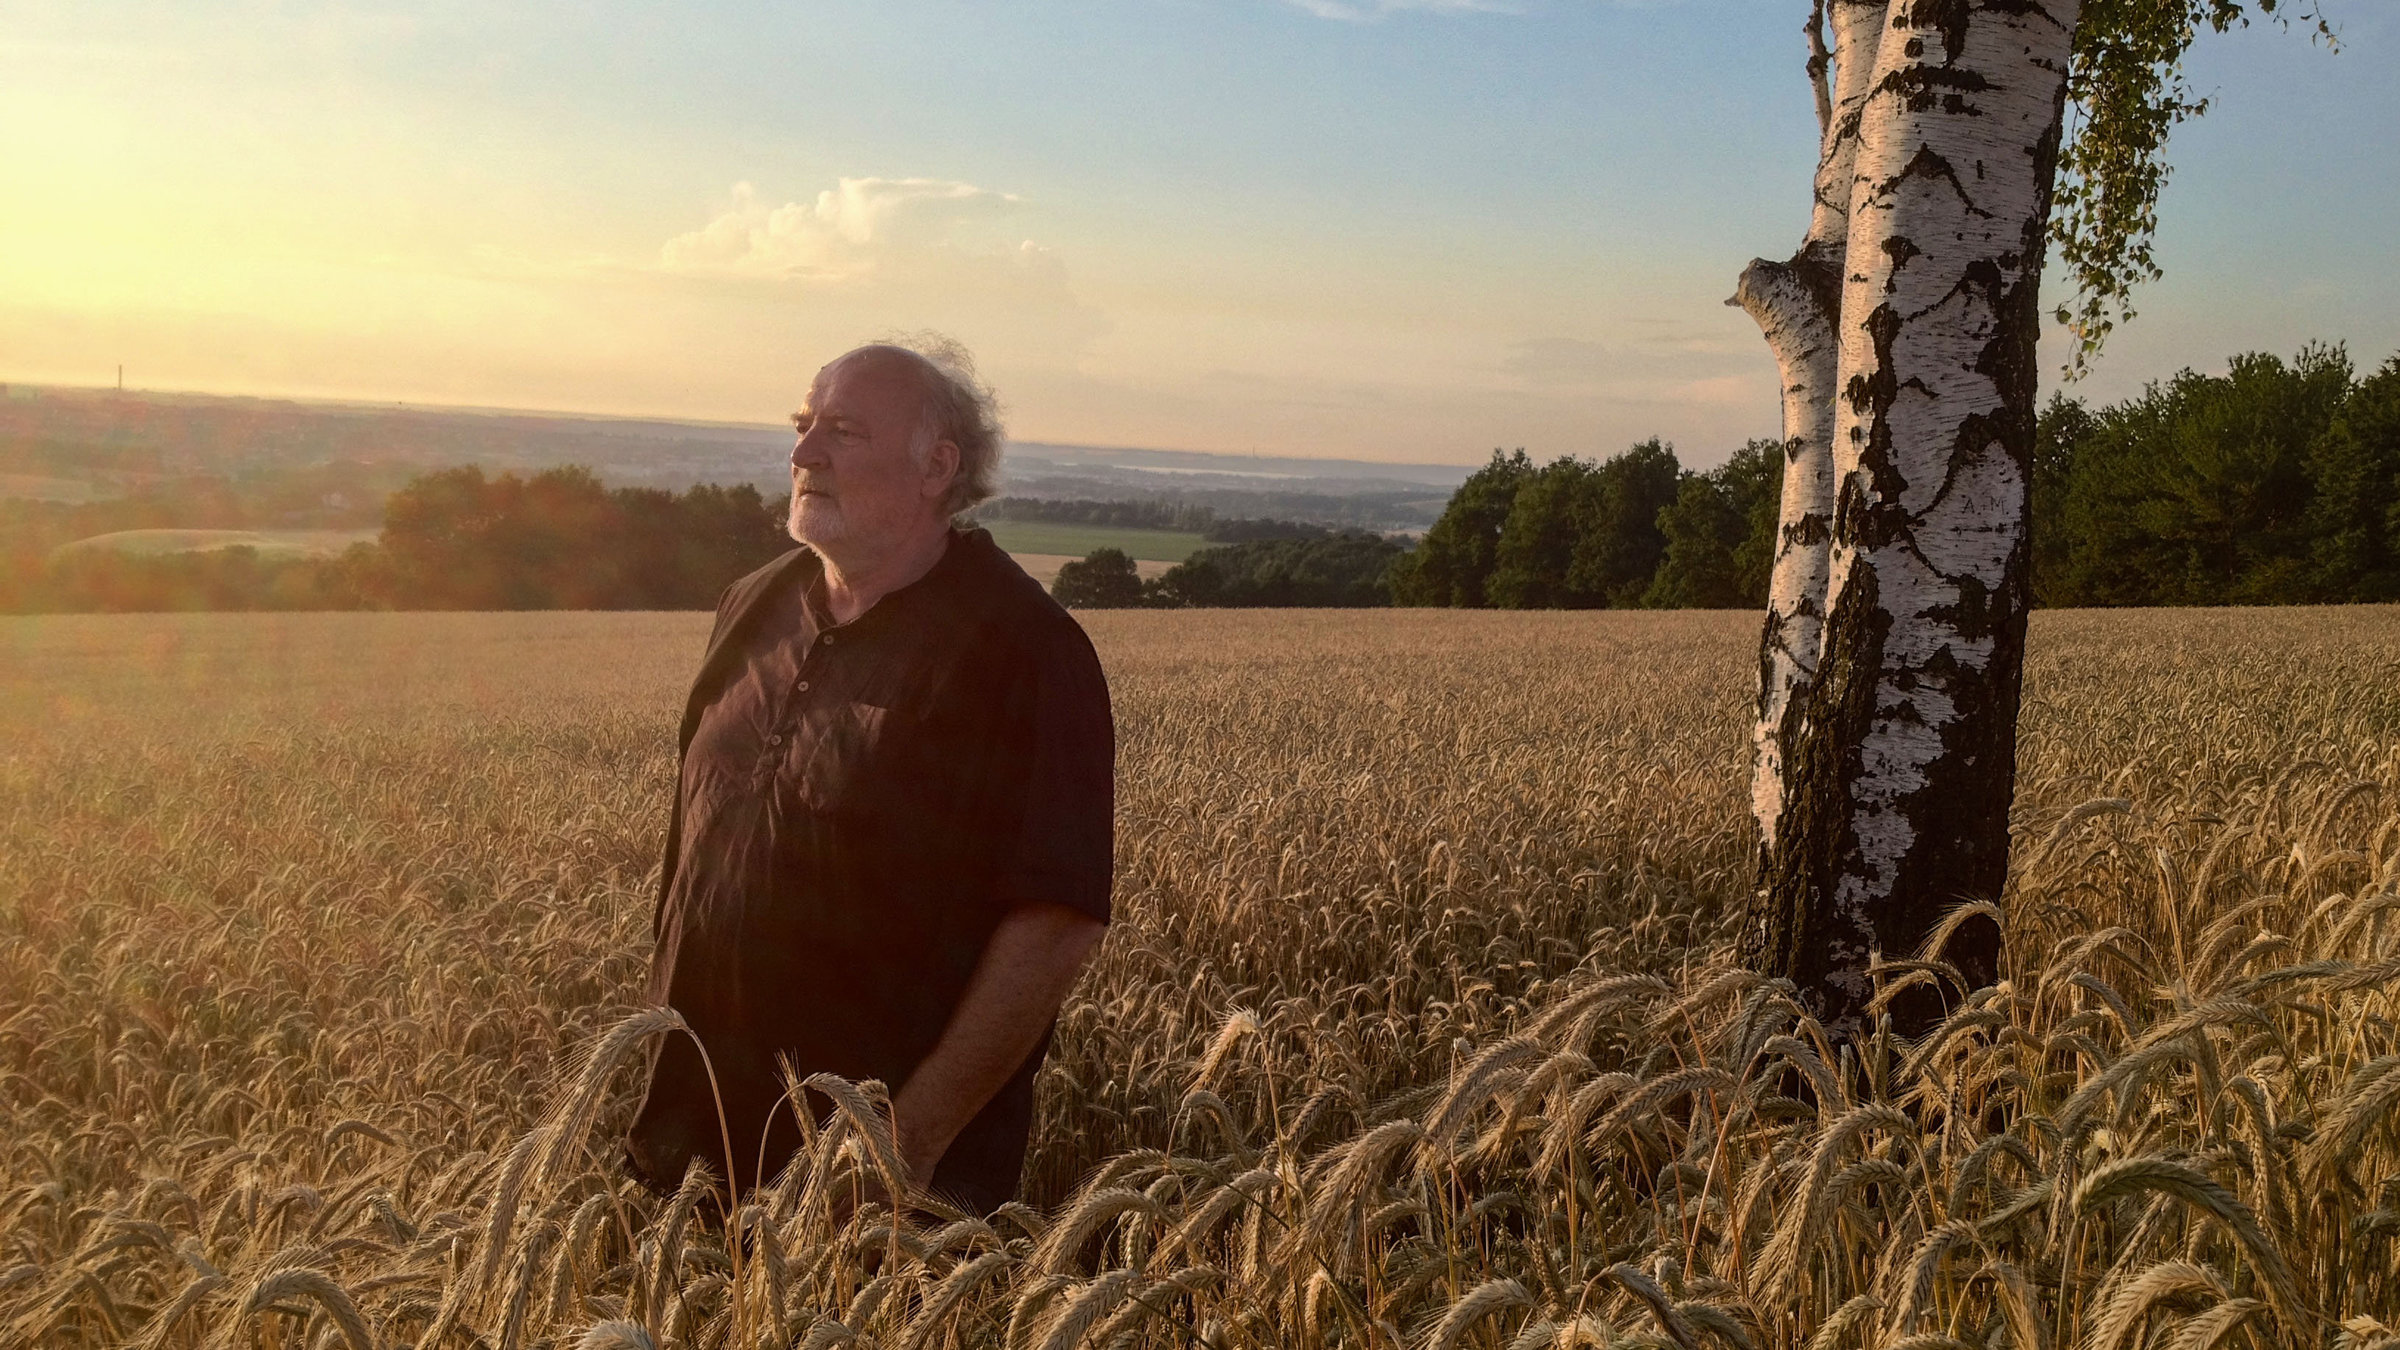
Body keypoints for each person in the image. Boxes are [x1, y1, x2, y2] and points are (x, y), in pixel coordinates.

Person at [624, 337, 1113, 1214]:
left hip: (869, 1190)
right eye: (803, 424)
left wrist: (904, 1146)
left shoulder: (1025, 651)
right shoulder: (754, 604)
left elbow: (1055, 922)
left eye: (842, 431)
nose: (803, 453)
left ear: (937, 467)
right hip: (684, 1145)